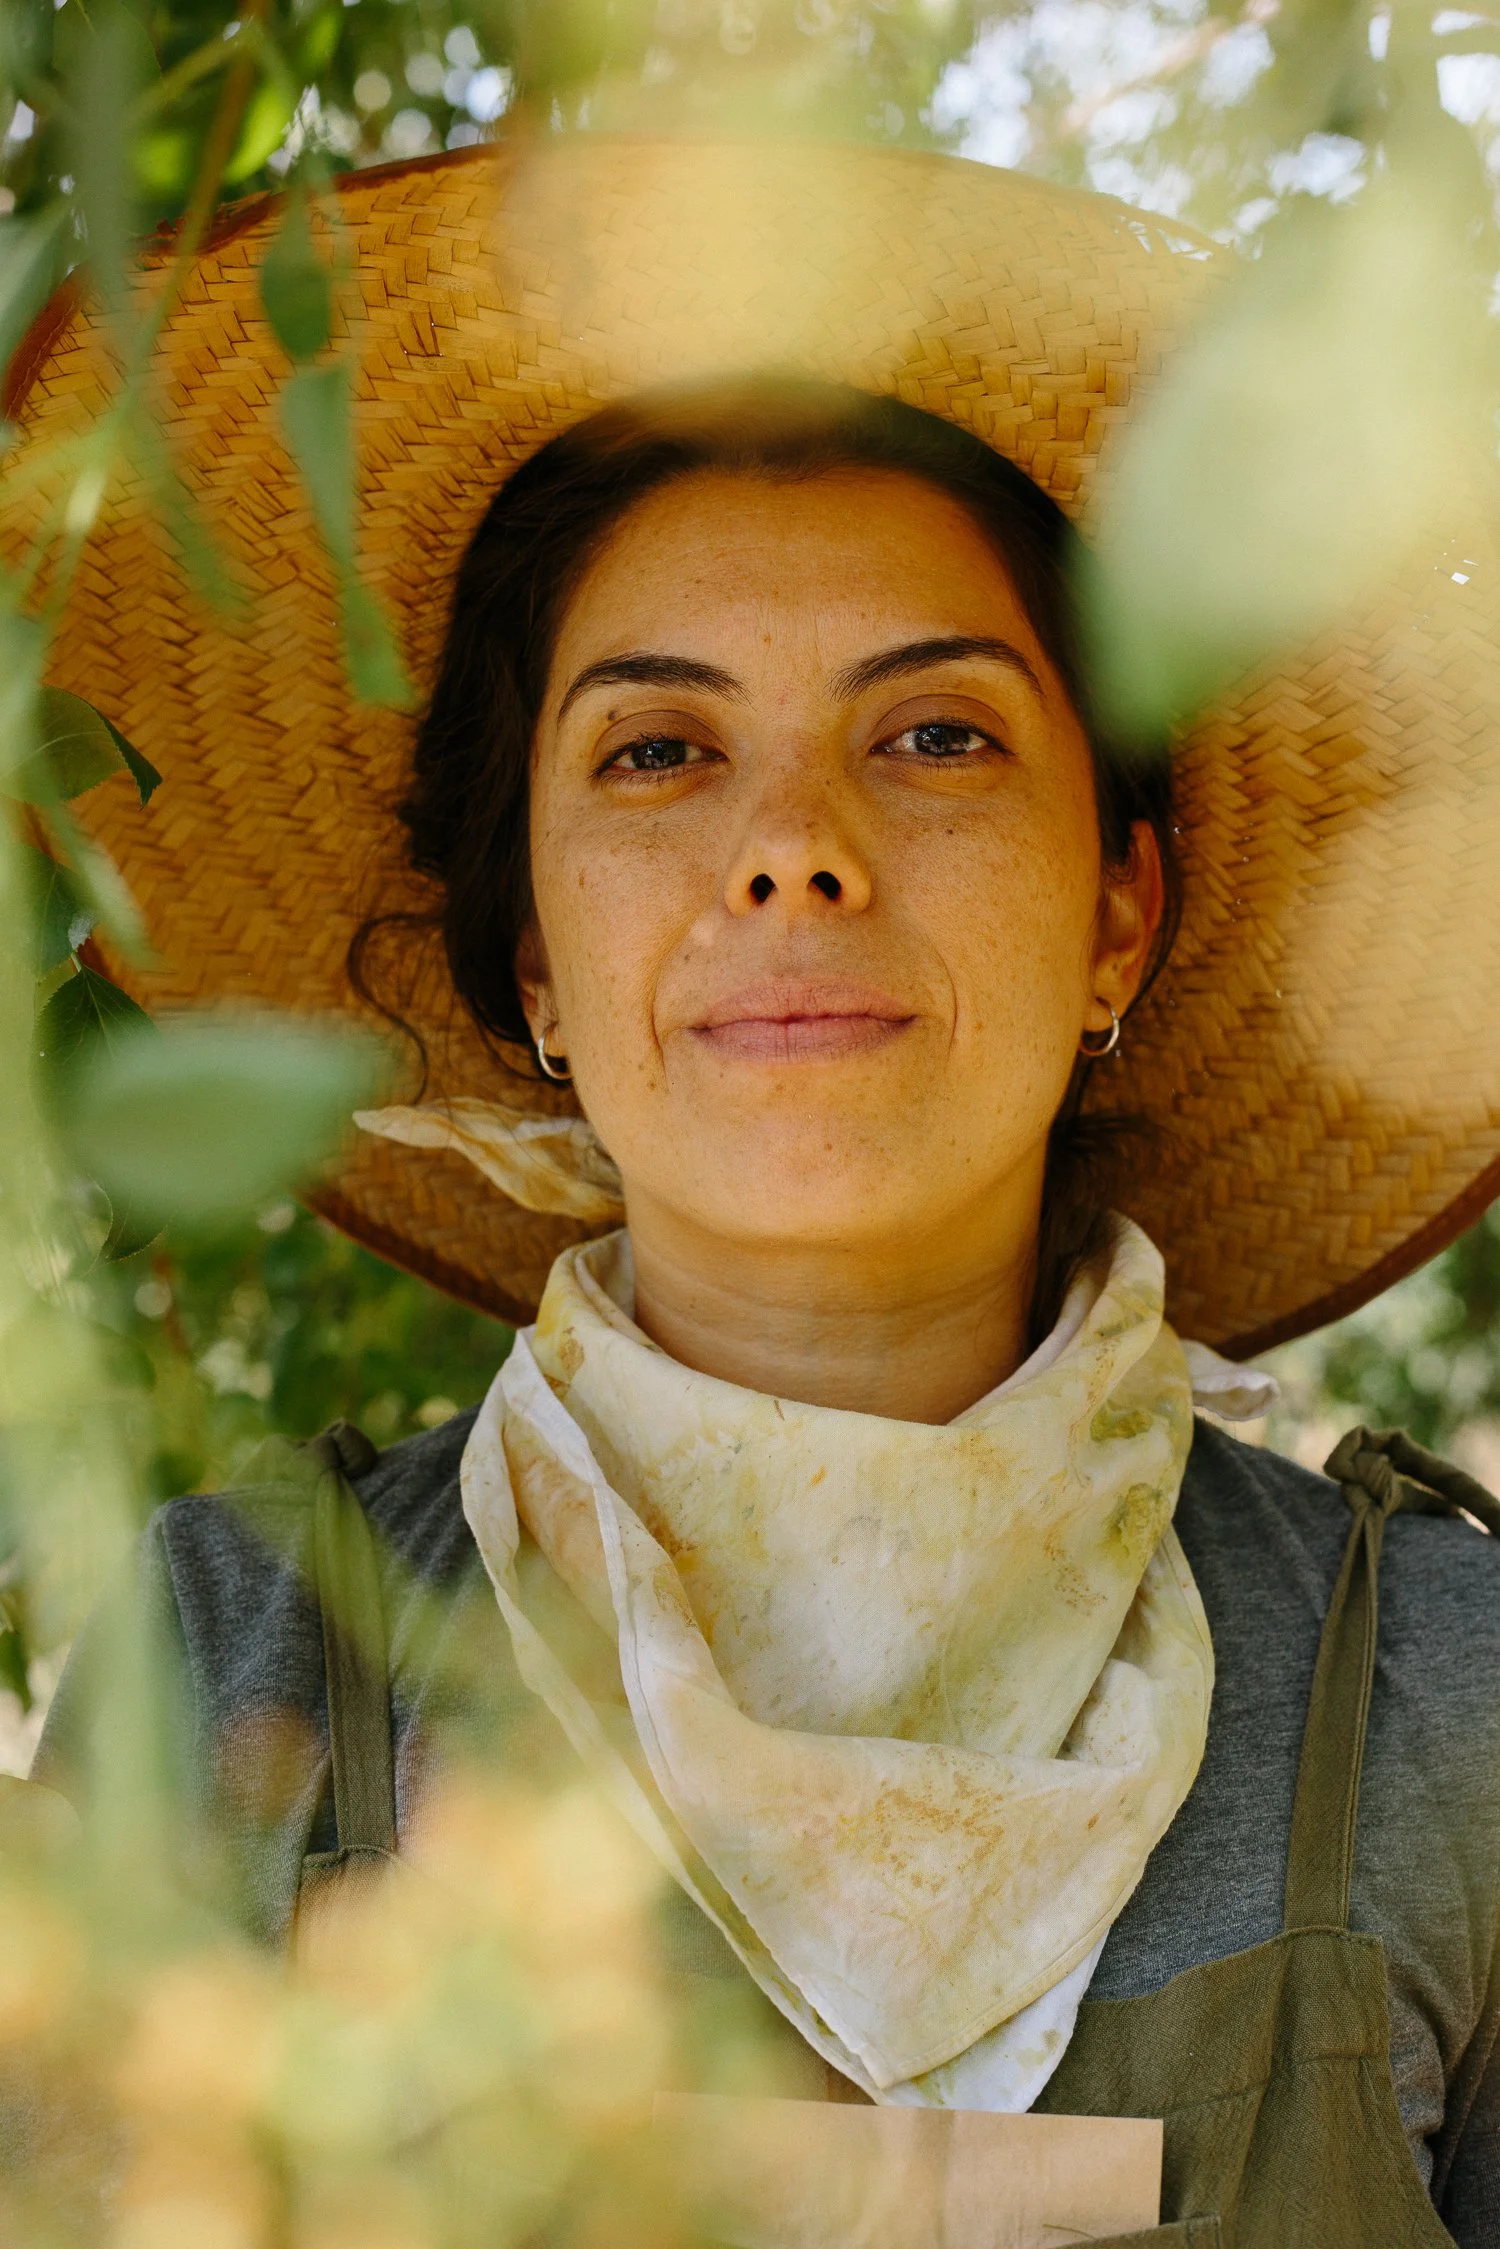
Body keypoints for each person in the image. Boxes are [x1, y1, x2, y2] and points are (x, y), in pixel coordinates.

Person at [18, 137, 1500, 2245]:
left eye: (936, 737)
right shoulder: (232, 1654)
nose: (792, 849)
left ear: (1117, 912)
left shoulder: (1452, 1688)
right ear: (531, 955)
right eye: (654, 752)